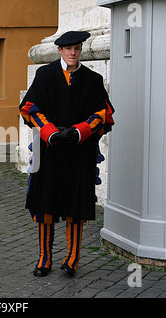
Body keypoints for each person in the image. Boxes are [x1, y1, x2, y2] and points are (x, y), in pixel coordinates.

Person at [19, 31, 114, 278]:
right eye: (68, 48)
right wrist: (50, 132)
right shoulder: (44, 75)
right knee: (45, 205)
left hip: (79, 152)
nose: (72, 52)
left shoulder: (93, 80)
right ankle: (44, 258)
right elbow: (30, 109)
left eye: (76, 48)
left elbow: (103, 114)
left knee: (76, 204)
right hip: (49, 150)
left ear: (80, 50)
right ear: (59, 50)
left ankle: (72, 259)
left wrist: (79, 132)